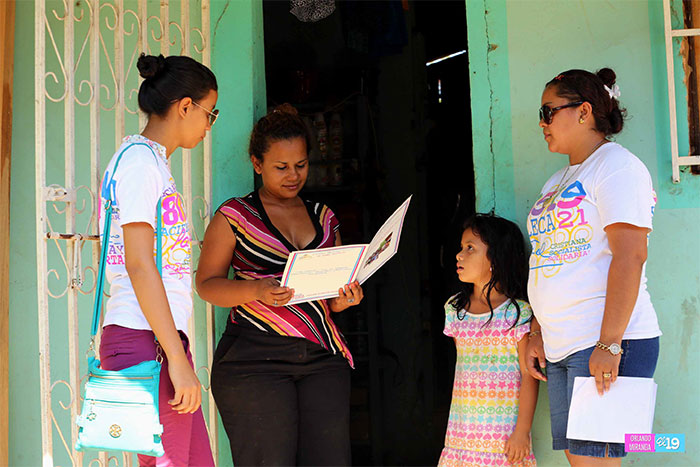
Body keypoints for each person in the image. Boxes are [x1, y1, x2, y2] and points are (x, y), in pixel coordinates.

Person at [196, 104, 363, 466]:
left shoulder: (325, 217)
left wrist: (345, 299)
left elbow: (330, 300)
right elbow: (207, 285)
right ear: (257, 164)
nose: (293, 176)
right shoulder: (235, 216)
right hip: (253, 361)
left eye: (300, 165)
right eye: (281, 167)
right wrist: (255, 291)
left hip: (322, 356)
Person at [525, 68, 661, 465]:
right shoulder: (557, 180)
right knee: (579, 459)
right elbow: (548, 261)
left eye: (548, 111)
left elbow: (630, 255)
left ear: (583, 111)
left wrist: (609, 343)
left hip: (606, 341)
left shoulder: (617, 167)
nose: (542, 122)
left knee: (595, 462)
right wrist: (538, 332)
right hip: (563, 346)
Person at [97, 53, 217, 466]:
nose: (208, 125)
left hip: (158, 343)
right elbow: (139, 264)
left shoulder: (150, 163)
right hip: (144, 341)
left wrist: (177, 355)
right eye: (209, 113)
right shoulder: (138, 164)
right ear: (186, 106)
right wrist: (177, 360)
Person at [438, 214, 538, 467]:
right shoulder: (455, 309)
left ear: (496, 258)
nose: (459, 255)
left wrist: (522, 431)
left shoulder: (518, 312)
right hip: (462, 433)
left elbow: (529, 375)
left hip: (503, 437)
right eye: (461, 248)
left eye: (470, 248)